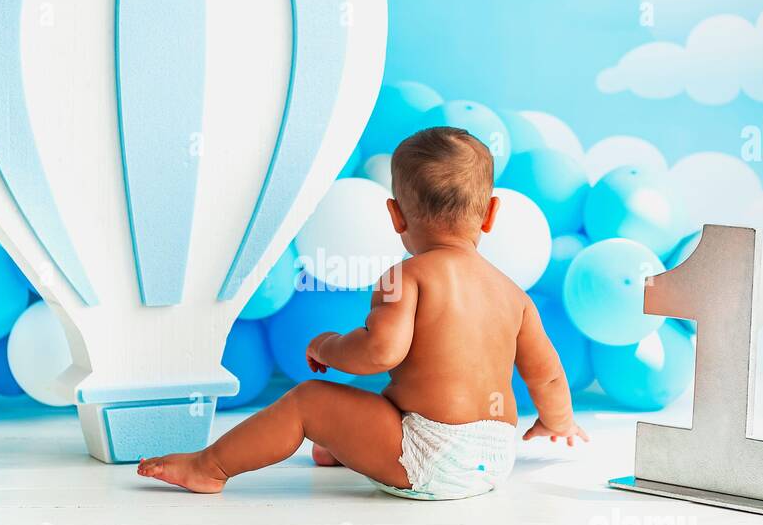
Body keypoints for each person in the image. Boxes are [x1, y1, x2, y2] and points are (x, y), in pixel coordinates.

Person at [139, 125, 588, 497]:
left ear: (396, 216)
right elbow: (546, 374)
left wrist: (330, 346)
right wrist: (556, 421)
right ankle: (342, 444)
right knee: (386, 403)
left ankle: (210, 467)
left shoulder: (405, 276)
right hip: (493, 458)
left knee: (308, 402)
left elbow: (380, 353)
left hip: (429, 456)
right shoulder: (512, 294)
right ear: (490, 214)